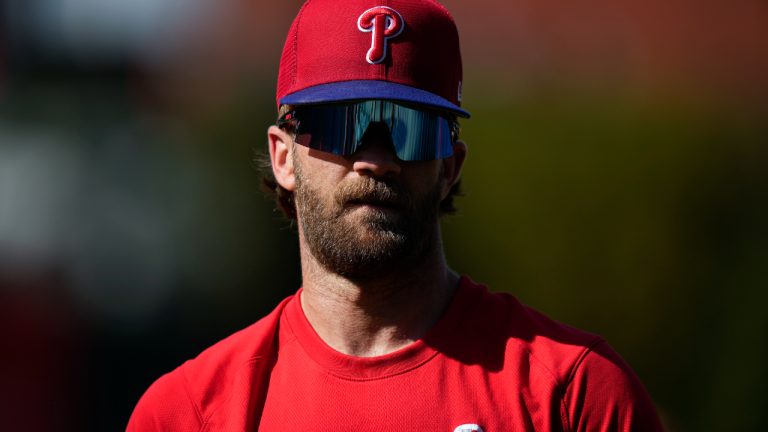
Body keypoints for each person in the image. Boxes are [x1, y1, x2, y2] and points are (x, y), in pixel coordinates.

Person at [128, 0, 664, 430]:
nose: (375, 158)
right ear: (283, 156)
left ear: (450, 165)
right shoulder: (190, 414)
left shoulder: (574, 395)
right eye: (341, 124)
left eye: (407, 128)